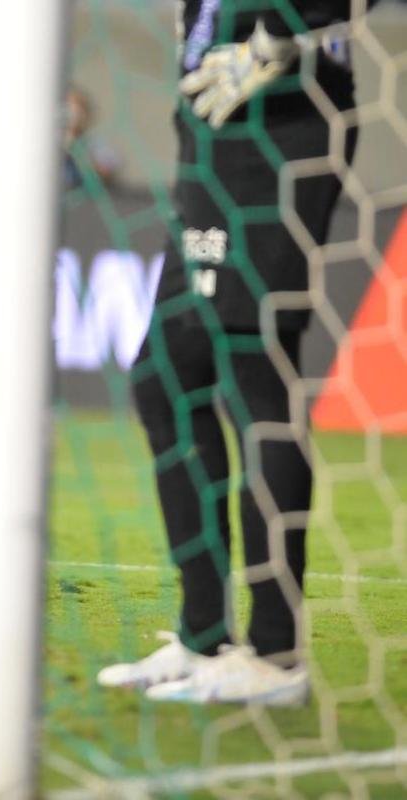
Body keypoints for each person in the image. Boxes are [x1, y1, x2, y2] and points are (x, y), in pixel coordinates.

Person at [97, 1, 371, 704]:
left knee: (254, 371)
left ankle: (275, 656)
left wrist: (276, 37)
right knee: (163, 378)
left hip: (282, 123)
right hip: (214, 133)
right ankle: (203, 635)